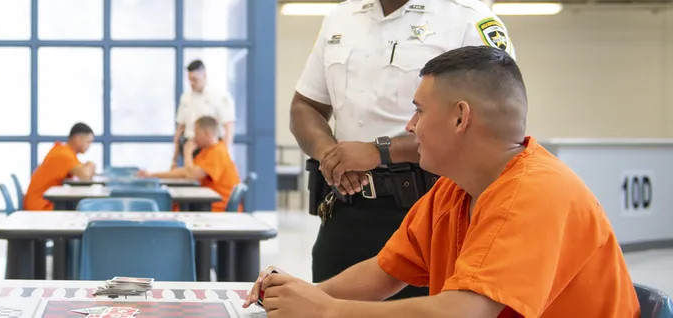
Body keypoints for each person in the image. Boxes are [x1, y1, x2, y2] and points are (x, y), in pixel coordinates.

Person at [247, 46, 640, 318]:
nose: (410, 125)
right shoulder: (454, 189)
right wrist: (299, 294)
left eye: (419, 111)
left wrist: (327, 310)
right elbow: (383, 273)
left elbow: (464, 311)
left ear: (459, 118)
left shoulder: (533, 194)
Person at [290, 0, 517, 297]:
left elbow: (493, 133)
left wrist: (378, 152)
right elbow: (305, 105)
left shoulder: (467, 22)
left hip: (432, 213)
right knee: (324, 308)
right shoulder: (340, 19)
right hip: (344, 213)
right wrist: (330, 154)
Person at [140, 116, 241, 212]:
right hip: (205, 205)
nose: (194, 137)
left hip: (217, 207)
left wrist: (187, 153)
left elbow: (191, 175)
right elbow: (185, 172)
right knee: (172, 206)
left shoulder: (218, 152)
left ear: (206, 133)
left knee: (173, 209)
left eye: (196, 133)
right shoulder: (207, 151)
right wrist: (151, 175)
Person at [173, 60, 236, 168]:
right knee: (190, 178)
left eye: (195, 80)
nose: (192, 83)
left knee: (200, 177)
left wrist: (222, 156)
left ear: (204, 75)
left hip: (209, 148)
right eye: (190, 80)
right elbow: (180, 128)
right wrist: (174, 159)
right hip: (189, 146)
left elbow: (228, 128)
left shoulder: (220, 97)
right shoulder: (186, 98)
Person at [23, 123, 97, 211]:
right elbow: (85, 175)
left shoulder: (65, 151)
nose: (89, 146)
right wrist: (90, 164)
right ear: (77, 139)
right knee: (79, 209)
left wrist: (88, 166)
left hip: (43, 201)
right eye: (88, 142)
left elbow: (83, 171)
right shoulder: (64, 155)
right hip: (40, 205)